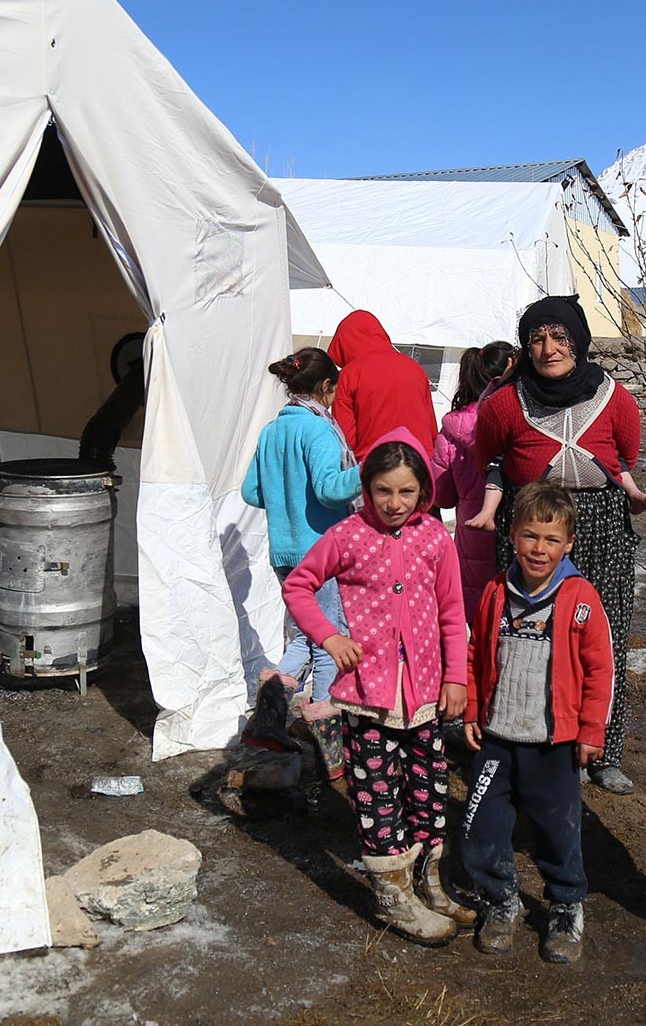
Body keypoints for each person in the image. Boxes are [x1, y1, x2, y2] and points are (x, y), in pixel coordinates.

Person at [281, 430, 471, 943]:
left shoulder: (434, 537)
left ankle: (429, 882)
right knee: (377, 796)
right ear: (365, 488)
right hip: (366, 698)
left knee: (430, 791)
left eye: (406, 492)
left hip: (426, 697)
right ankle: (393, 898)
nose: (394, 503)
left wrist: (457, 676)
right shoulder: (346, 536)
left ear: (424, 492)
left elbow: (453, 615)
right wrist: (328, 636)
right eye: (383, 490)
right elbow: (298, 585)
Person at [475, 295, 646, 794]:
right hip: (530, 522)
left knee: (605, 636)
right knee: (529, 635)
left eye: (559, 337)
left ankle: (605, 750)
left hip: (600, 522)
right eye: (537, 338)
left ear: (578, 342)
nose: (548, 348)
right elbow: (487, 451)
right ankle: (539, 741)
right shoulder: (506, 403)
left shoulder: (613, 396)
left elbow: (627, 451)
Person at [462, 483, 614, 964]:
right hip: (497, 737)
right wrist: (470, 709)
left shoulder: (580, 598)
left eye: (551, 540)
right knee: (482, 824)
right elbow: (473, 655)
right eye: (530, 536)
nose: (539, 549)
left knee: (558, 829)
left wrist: (592, 731)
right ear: (512, 535)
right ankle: (500, 899)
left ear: (569, 543)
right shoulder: (494, 592)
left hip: (554, 742)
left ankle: (567, 906)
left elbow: (600, 669)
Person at [239, 349, 362, 775]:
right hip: (323, 551)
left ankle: (267, 717)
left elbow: (252, 493)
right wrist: (366, 471)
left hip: (285, 553)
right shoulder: (320, 431)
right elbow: (331, 491)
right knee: (329, 639)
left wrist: (284, 496)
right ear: (327, 387)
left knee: (303, 639)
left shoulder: (272, 431)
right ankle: (331, 745)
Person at [431, 341, 518, 623]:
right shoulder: (515, 422)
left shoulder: (451, 430)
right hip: (518, 530)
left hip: (471, 537)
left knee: (478, 621)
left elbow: (442, 496)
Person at [327, 310, 438, 459]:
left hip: (374, 465)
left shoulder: (349, 374)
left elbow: (345, 438)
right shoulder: (414, 368)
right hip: (418, 461)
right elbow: (431, 428)